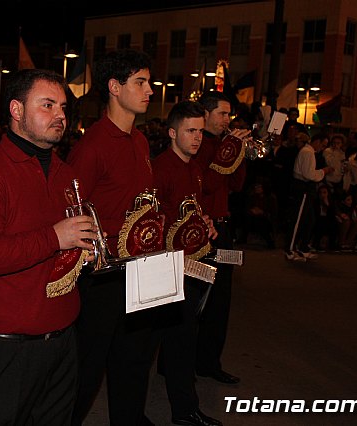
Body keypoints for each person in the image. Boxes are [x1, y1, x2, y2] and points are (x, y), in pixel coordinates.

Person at [0, 68, 95, 425]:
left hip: (61, 341)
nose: (60, 115)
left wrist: (82, 251)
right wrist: (54, 238)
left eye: (62, 106)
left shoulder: (65, 174)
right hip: (3, 349)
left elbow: (64, 242)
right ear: (16, 110)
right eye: (47, 105)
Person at [67, 49, 160, 426]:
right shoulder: (92, 146)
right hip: (103, 277)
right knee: (89, 365)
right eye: (140, 82)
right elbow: (71, 211)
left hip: (140, 269)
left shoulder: (139, 141)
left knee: (134, 357)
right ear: (114, 87)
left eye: (149, 82)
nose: (149, 90)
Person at [151, 100, 222, 426]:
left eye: (200, 131)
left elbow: (191, 209)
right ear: (172, 132)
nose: (197, 138)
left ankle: (182, 403)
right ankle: (185, 410)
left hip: (191, 261)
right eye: (190, 131)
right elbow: (152, 221)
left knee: (183, 335)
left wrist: (204, 222)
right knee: (180, 339)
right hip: (167, 266)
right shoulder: (161, 168)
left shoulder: (194, 167)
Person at [195, 91, 250, 385]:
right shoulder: (198, 143)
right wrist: (227, 151)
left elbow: (237, 185)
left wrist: (239, 154)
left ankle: (209, 361)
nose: (227, 121)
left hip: (223, 228)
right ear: (205, 114)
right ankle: (178, 361)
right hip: (200, 230)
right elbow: (207, 186)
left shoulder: (222, 144)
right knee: (193, 298)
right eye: (222, 114)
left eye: (229, 115)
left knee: (220, 300)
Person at [284, 132, 334, 261]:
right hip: (303, 188)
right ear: (317, 141)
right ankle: (290, 249)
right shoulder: (307, 152)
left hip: (306, 188)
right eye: (322, 145)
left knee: (309, 220)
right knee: (298, 220)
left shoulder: (309, 152)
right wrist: (324, 171)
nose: (322, 148)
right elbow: (308, 174)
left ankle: (303, 247)